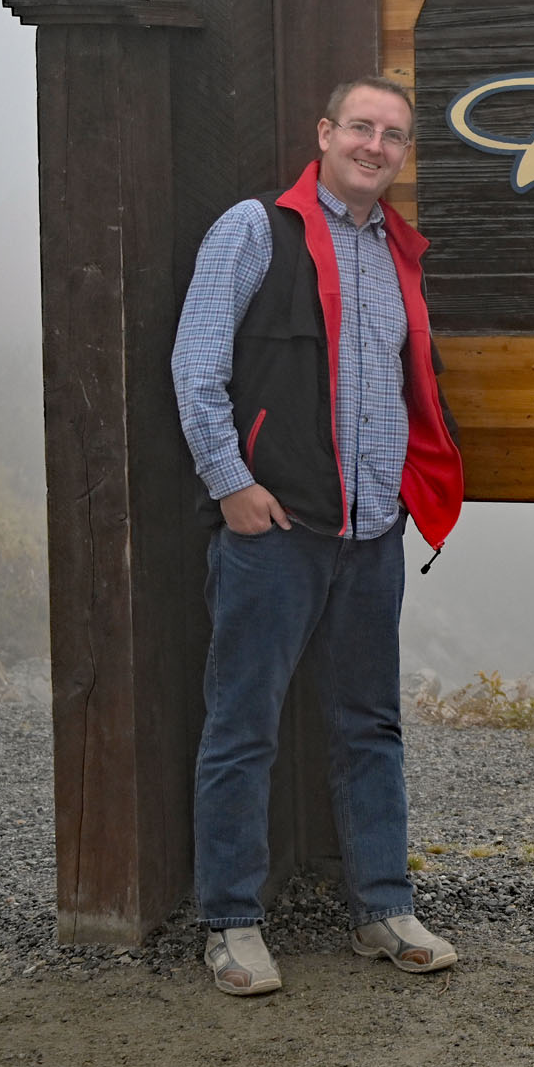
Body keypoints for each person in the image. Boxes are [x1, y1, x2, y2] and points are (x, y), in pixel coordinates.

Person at [171, 77, 465, 996]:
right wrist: (232, 484)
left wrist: (404, 496)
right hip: (278, 528)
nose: (376, 145)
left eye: (393, 135)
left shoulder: (394, 250)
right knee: (242, 725)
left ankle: (383, 908)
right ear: (326, 132)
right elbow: (195, 365)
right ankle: (231, 922)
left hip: (371, 529)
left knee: (370, 725)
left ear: (404, 154)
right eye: (361, 127)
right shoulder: (256, 228)